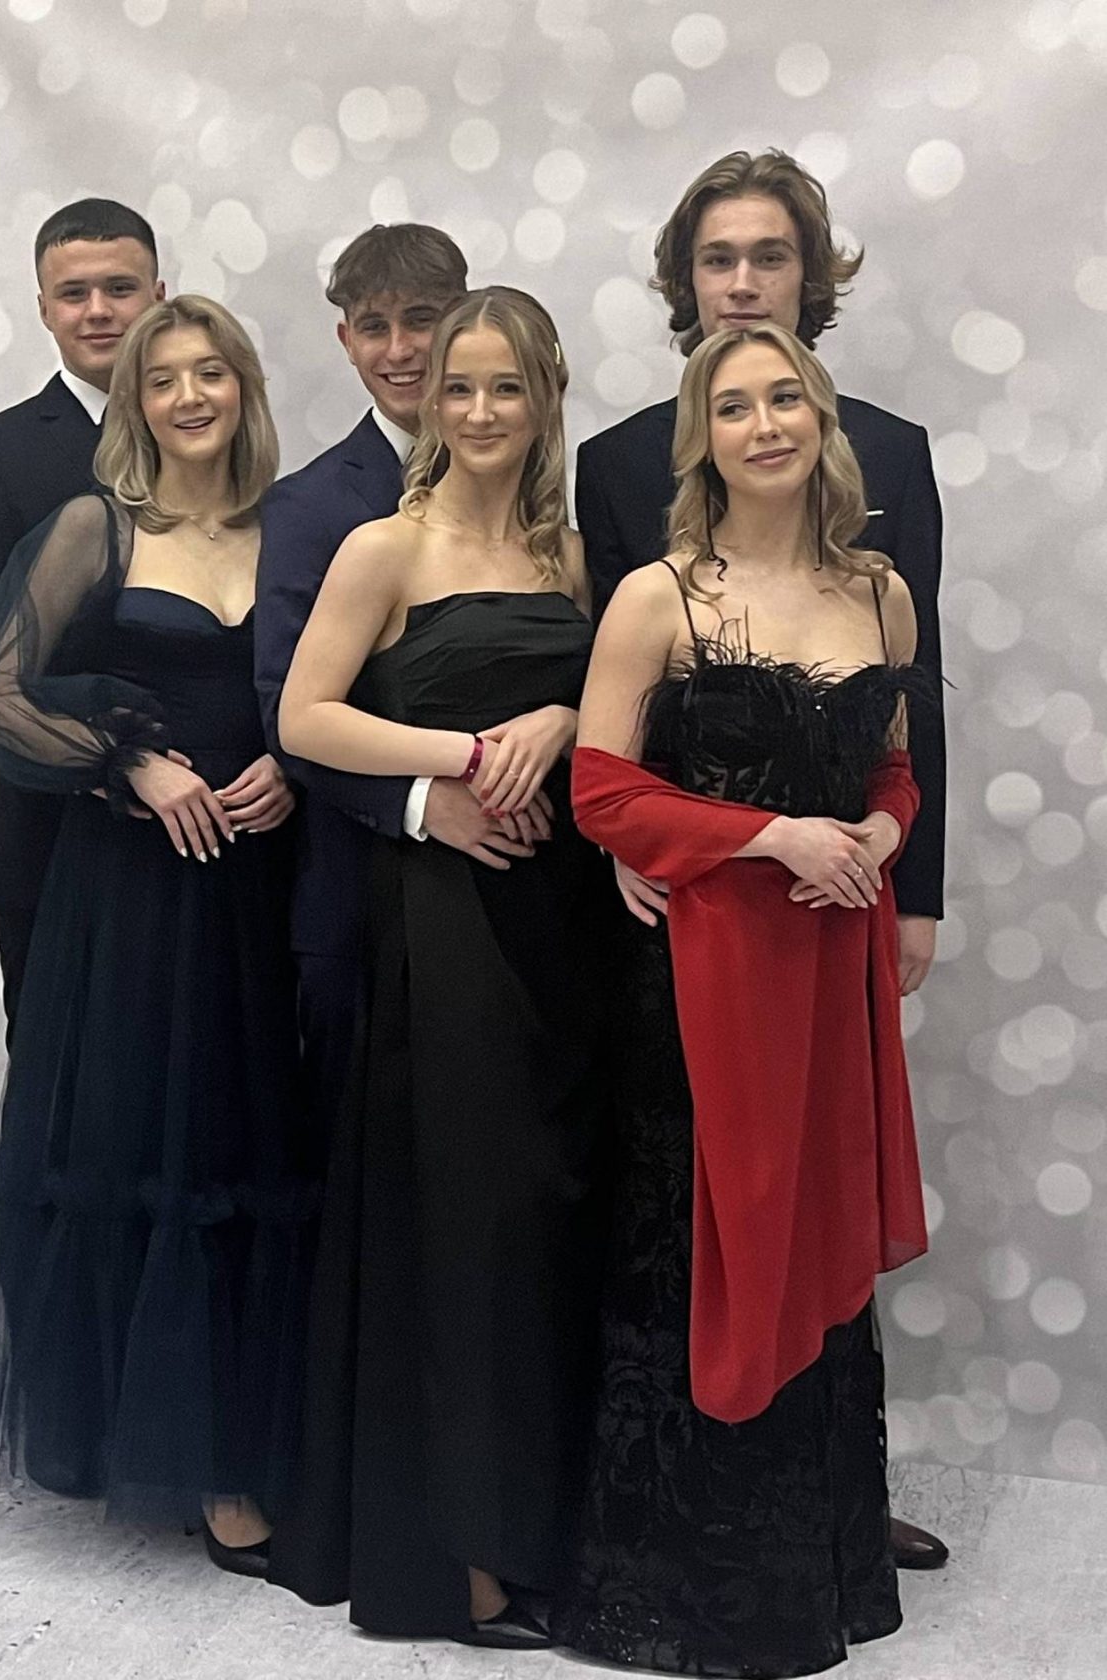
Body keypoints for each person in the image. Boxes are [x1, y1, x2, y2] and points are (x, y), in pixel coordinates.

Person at [574, 149, 948, 1572]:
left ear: (810, 282)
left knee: (823, 1197)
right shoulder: (619, 477)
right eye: (717, 258)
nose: (741, 282)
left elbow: (903, 727)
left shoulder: (888, 502)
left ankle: (825, 1513)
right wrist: (646, 848)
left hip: (838, 923)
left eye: (769, 256)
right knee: (700, 1208)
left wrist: (901, 867)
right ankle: (692, 1531)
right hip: (696, 926)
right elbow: (611, 738)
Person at [0, 296, 316, 1579]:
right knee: (151, 1139)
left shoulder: (291, 529)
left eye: (212, 373)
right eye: (164, 379)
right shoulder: (98, 525)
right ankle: (180, 1459)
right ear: (135, 404)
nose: (191, 396)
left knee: (249, 1139)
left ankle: (244, 1441)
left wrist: (290, 770)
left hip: (258, 885)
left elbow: (328, 692)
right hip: (133, 893)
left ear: (244, 388)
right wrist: (128, 762)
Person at [272, 287, 607, 1647]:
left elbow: (619, 696)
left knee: (551, 1214)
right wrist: (459, 760)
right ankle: (455, 1559)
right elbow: (305, 718)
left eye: (502, 388)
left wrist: (559, 714)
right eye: (457, 386)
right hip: (444, 914)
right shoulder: (384, 545)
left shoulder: (572, 556)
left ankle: (542, 1524)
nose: (475, 410)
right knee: (463, 1221)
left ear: (544, 399)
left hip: (568, 919)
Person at [256, 224, 543, 1147]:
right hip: (364, 891)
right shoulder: (309, 506)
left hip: (529, 883)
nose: (399, 349)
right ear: (345, 341)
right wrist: (420, 801)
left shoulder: (538, 496)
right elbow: (284, 709)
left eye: (421, 319)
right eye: (373, 327)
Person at [0, 199, 165, 1033]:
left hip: (218, 836)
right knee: (63, 1092)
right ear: (42, 309)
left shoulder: (214, 438)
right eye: (74, 293)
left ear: (159, 296)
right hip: (56, 838)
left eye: (120, 288)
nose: (98, 310)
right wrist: (109, 756)